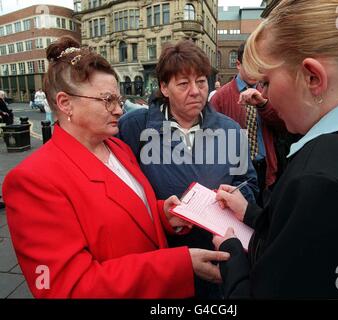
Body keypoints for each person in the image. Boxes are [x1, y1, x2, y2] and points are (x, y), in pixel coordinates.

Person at [2, 36, 230, 298]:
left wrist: (162, 214)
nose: (119, 110)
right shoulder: (33, 180)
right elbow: (67, 288)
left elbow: (128, 212)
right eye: (107, 100)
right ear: (65, 103)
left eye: (118, 99)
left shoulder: (117, 147)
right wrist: (179, 264)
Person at [213, 0, 338, 298]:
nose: (263, 95)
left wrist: (233, 259)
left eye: (266, 81)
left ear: (312, 78)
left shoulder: (321, 179)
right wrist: (254, 215)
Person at [118, 40, 258, 298]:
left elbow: (248, 182)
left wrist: (235, 198)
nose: (195, 91)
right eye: (183, 84)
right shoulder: (134, 127)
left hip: (217, 257)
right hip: (165, 257)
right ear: (164, 87)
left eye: (202, 82)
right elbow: (122, 189)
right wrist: (162, 210)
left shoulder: (229, 129)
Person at [210, 43, 295, 202]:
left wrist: (263, 104)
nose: (255, 71)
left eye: (258, 66)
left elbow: (283, 126)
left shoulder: (268, 91)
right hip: (238, 170)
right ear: (238, 64)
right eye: (250, 65)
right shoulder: (220, 97)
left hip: (266, 167)